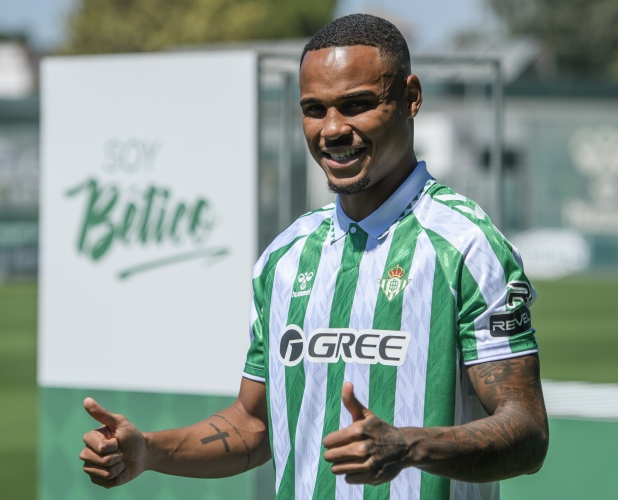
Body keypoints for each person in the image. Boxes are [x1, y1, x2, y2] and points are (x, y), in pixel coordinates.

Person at [79, 13, 549, 499]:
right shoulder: (286, 256)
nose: (333, 129)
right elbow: (253, 423)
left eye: (357, 104)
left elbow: (528, 432)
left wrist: (407, 446)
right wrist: (148, 451)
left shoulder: (467, 246)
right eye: (314, 109)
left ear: (411, 98)